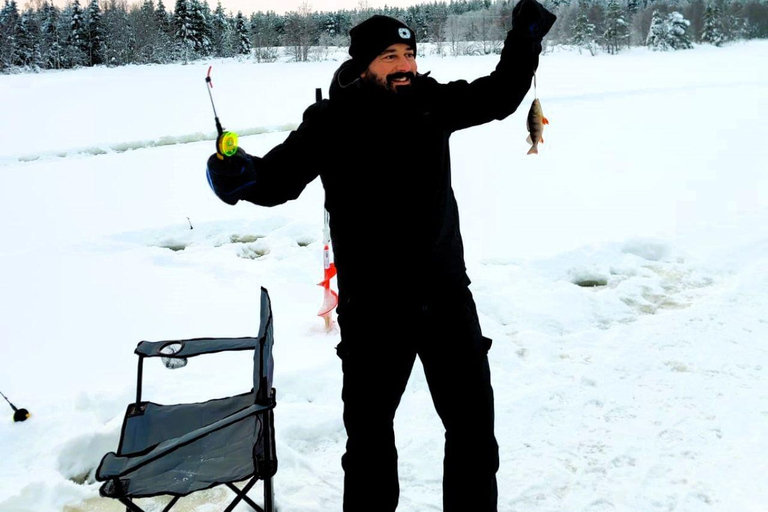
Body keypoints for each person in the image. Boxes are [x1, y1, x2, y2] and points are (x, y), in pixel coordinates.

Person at [206, 2, 556, 510]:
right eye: (391, 56)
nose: (405, 65)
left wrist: (524, 38)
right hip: (374, 312)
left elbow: (501, 95)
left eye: (410, 54)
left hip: (445, 300)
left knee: (475, 435)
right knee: (368, 447)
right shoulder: (330, 121)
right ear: (365, 64)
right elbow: (277, 180)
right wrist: (239, 176)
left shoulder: (431, 102)